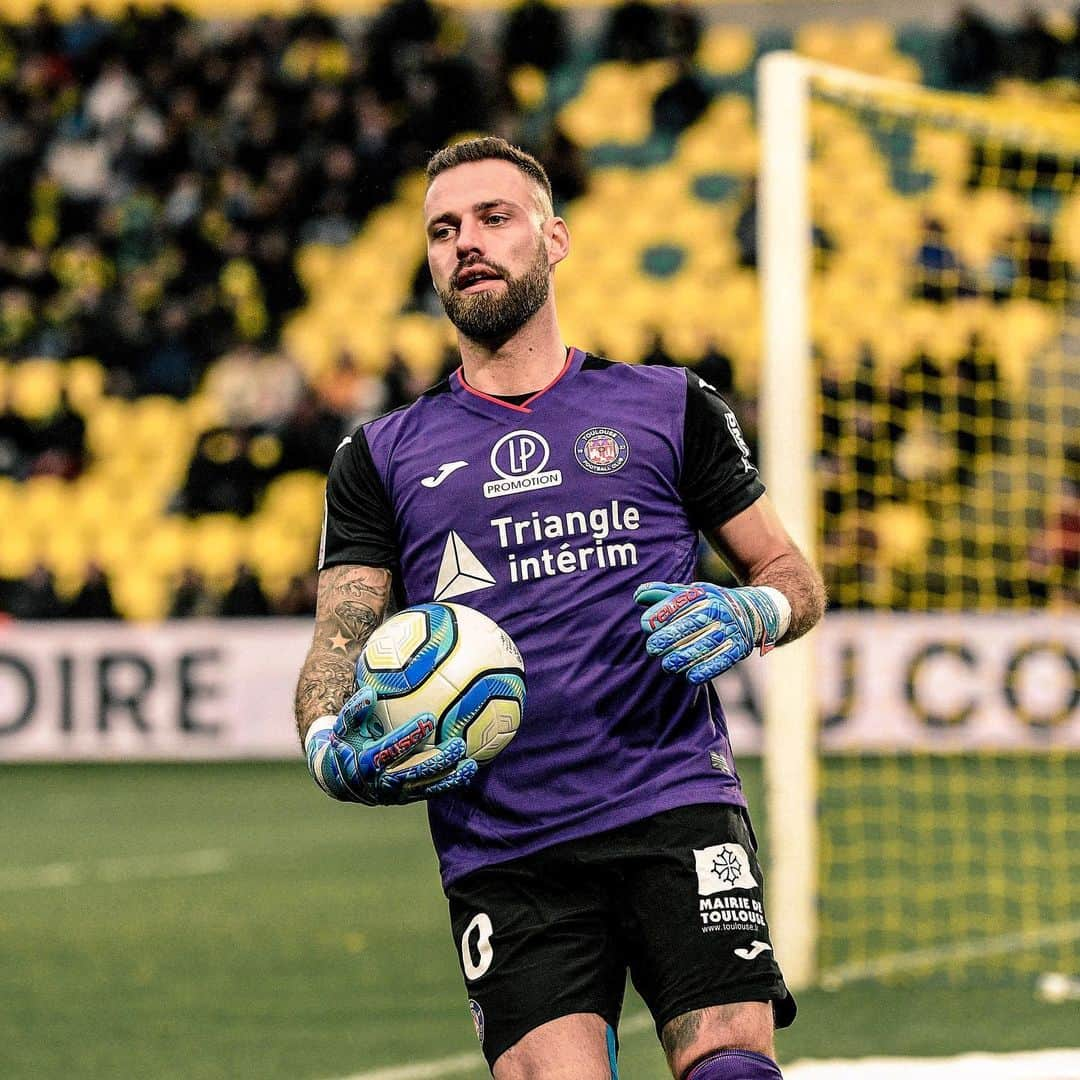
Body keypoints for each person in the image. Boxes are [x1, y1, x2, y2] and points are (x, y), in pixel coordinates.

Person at [295, 136, 825, 1080]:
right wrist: (328, 736)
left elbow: (790, 572)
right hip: (502, 844)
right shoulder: (378, 456)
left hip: (674, 801)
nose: (467, 243)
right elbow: (340, 635)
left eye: (494, 219)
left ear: (555, 238)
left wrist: (754, 614)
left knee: (733, 1066)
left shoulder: (667, 404)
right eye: (444, 229)